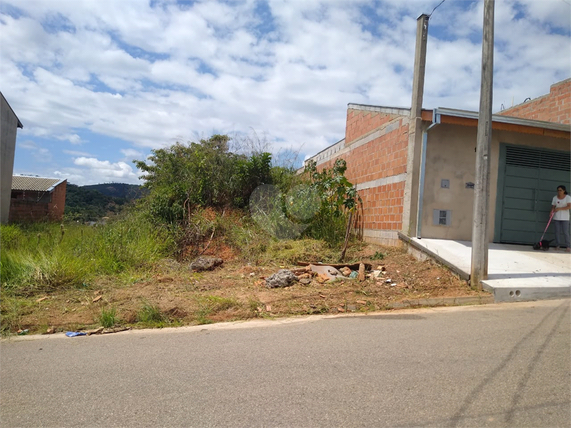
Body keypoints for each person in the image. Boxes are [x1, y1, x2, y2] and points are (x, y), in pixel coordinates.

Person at [551, 185, 571, 252]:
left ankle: (568, 246)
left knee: (565, 232)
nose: (559, 192)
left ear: (564, 191)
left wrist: (560, 208)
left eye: (560, 190)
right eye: (558, 190)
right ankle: (557, 245)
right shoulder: (555, 198)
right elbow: (553, 206)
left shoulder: (568, 197)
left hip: (565, 218)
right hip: (557, 217)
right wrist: (551, 211)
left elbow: (569, 206)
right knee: (557, 232)